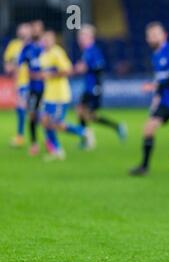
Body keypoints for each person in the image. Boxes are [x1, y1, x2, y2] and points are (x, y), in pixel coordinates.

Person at [129, 21, 169, 176]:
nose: (151, 38)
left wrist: (154, 85)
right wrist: (156, 96)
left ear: (163, 35)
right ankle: (144, 167)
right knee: (148, 129)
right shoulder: (156, 55)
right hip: (165, 103)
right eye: (149, 36)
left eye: (154, 35)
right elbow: (160, 81)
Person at [39, 31, 93, 161]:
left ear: (53, 41)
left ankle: (83, 132)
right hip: (48, 95)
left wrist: (51, 75)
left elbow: (68, 70)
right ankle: (56, 150)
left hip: (60, 95)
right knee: (45, 121)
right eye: (44, 40)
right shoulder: (42, 55)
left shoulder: (57, 53)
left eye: (48, 39)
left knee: (56, 124)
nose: (46, 42)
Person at [73, 24, 126, 149]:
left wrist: (85, 67)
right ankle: (89, 138)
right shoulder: (86, 52)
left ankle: (88, 139)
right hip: (87, 87)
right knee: (83, 113)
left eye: (83, 36)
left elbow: (99, 67)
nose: (80, 39)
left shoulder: (94, 51)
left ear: (90, 37)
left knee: (85, 113)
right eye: (80, 37)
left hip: (94, 87)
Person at [18, 20, 45, 155]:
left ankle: (51, 142)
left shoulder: (46, 47)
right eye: (33, 28)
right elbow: (19, 63)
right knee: (32, 115)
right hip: (34, 88)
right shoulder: (27, 48)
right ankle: (34, 144)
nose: (35, 31)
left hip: (49, 88)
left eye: (37, 28)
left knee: (48, 117)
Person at [3, 23, 31, 147]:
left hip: (33, 83)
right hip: (20, 83)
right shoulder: (14, 45)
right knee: (21, 110)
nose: (22, 33)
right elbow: (7, 65)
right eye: (20, 31)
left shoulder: (34, 46)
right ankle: (21, 137)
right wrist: (11, 67)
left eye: (25, 31)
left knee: (35, 112)